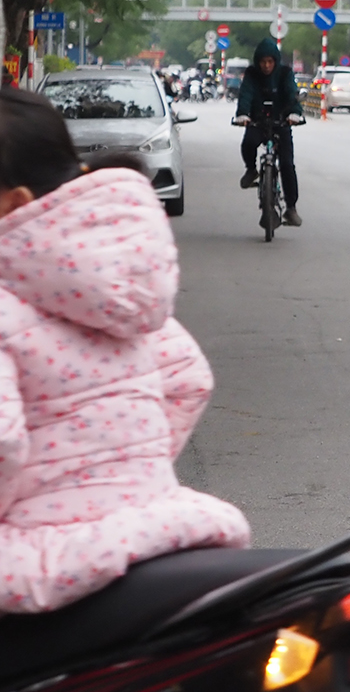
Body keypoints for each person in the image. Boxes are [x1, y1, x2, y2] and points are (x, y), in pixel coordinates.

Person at [0, 87, 250, 615]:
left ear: (16, 201)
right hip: (155, 520)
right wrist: (122, 473)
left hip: (41, 551)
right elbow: (186, 377)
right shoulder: (108, 278)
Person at [234, 37, 304, 226]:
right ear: (257, 62)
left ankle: (291, 208)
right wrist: (242, 114)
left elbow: (292, 95)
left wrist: (294, 114)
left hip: (281, 122)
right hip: (258, 122)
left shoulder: (285, 74)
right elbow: (246, 94)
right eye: (262, 62)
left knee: (287, 165)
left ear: (276, 61)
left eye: (270, 61)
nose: (266, 66)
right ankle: (251, 170)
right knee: (248, 143)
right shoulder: (251, 75)